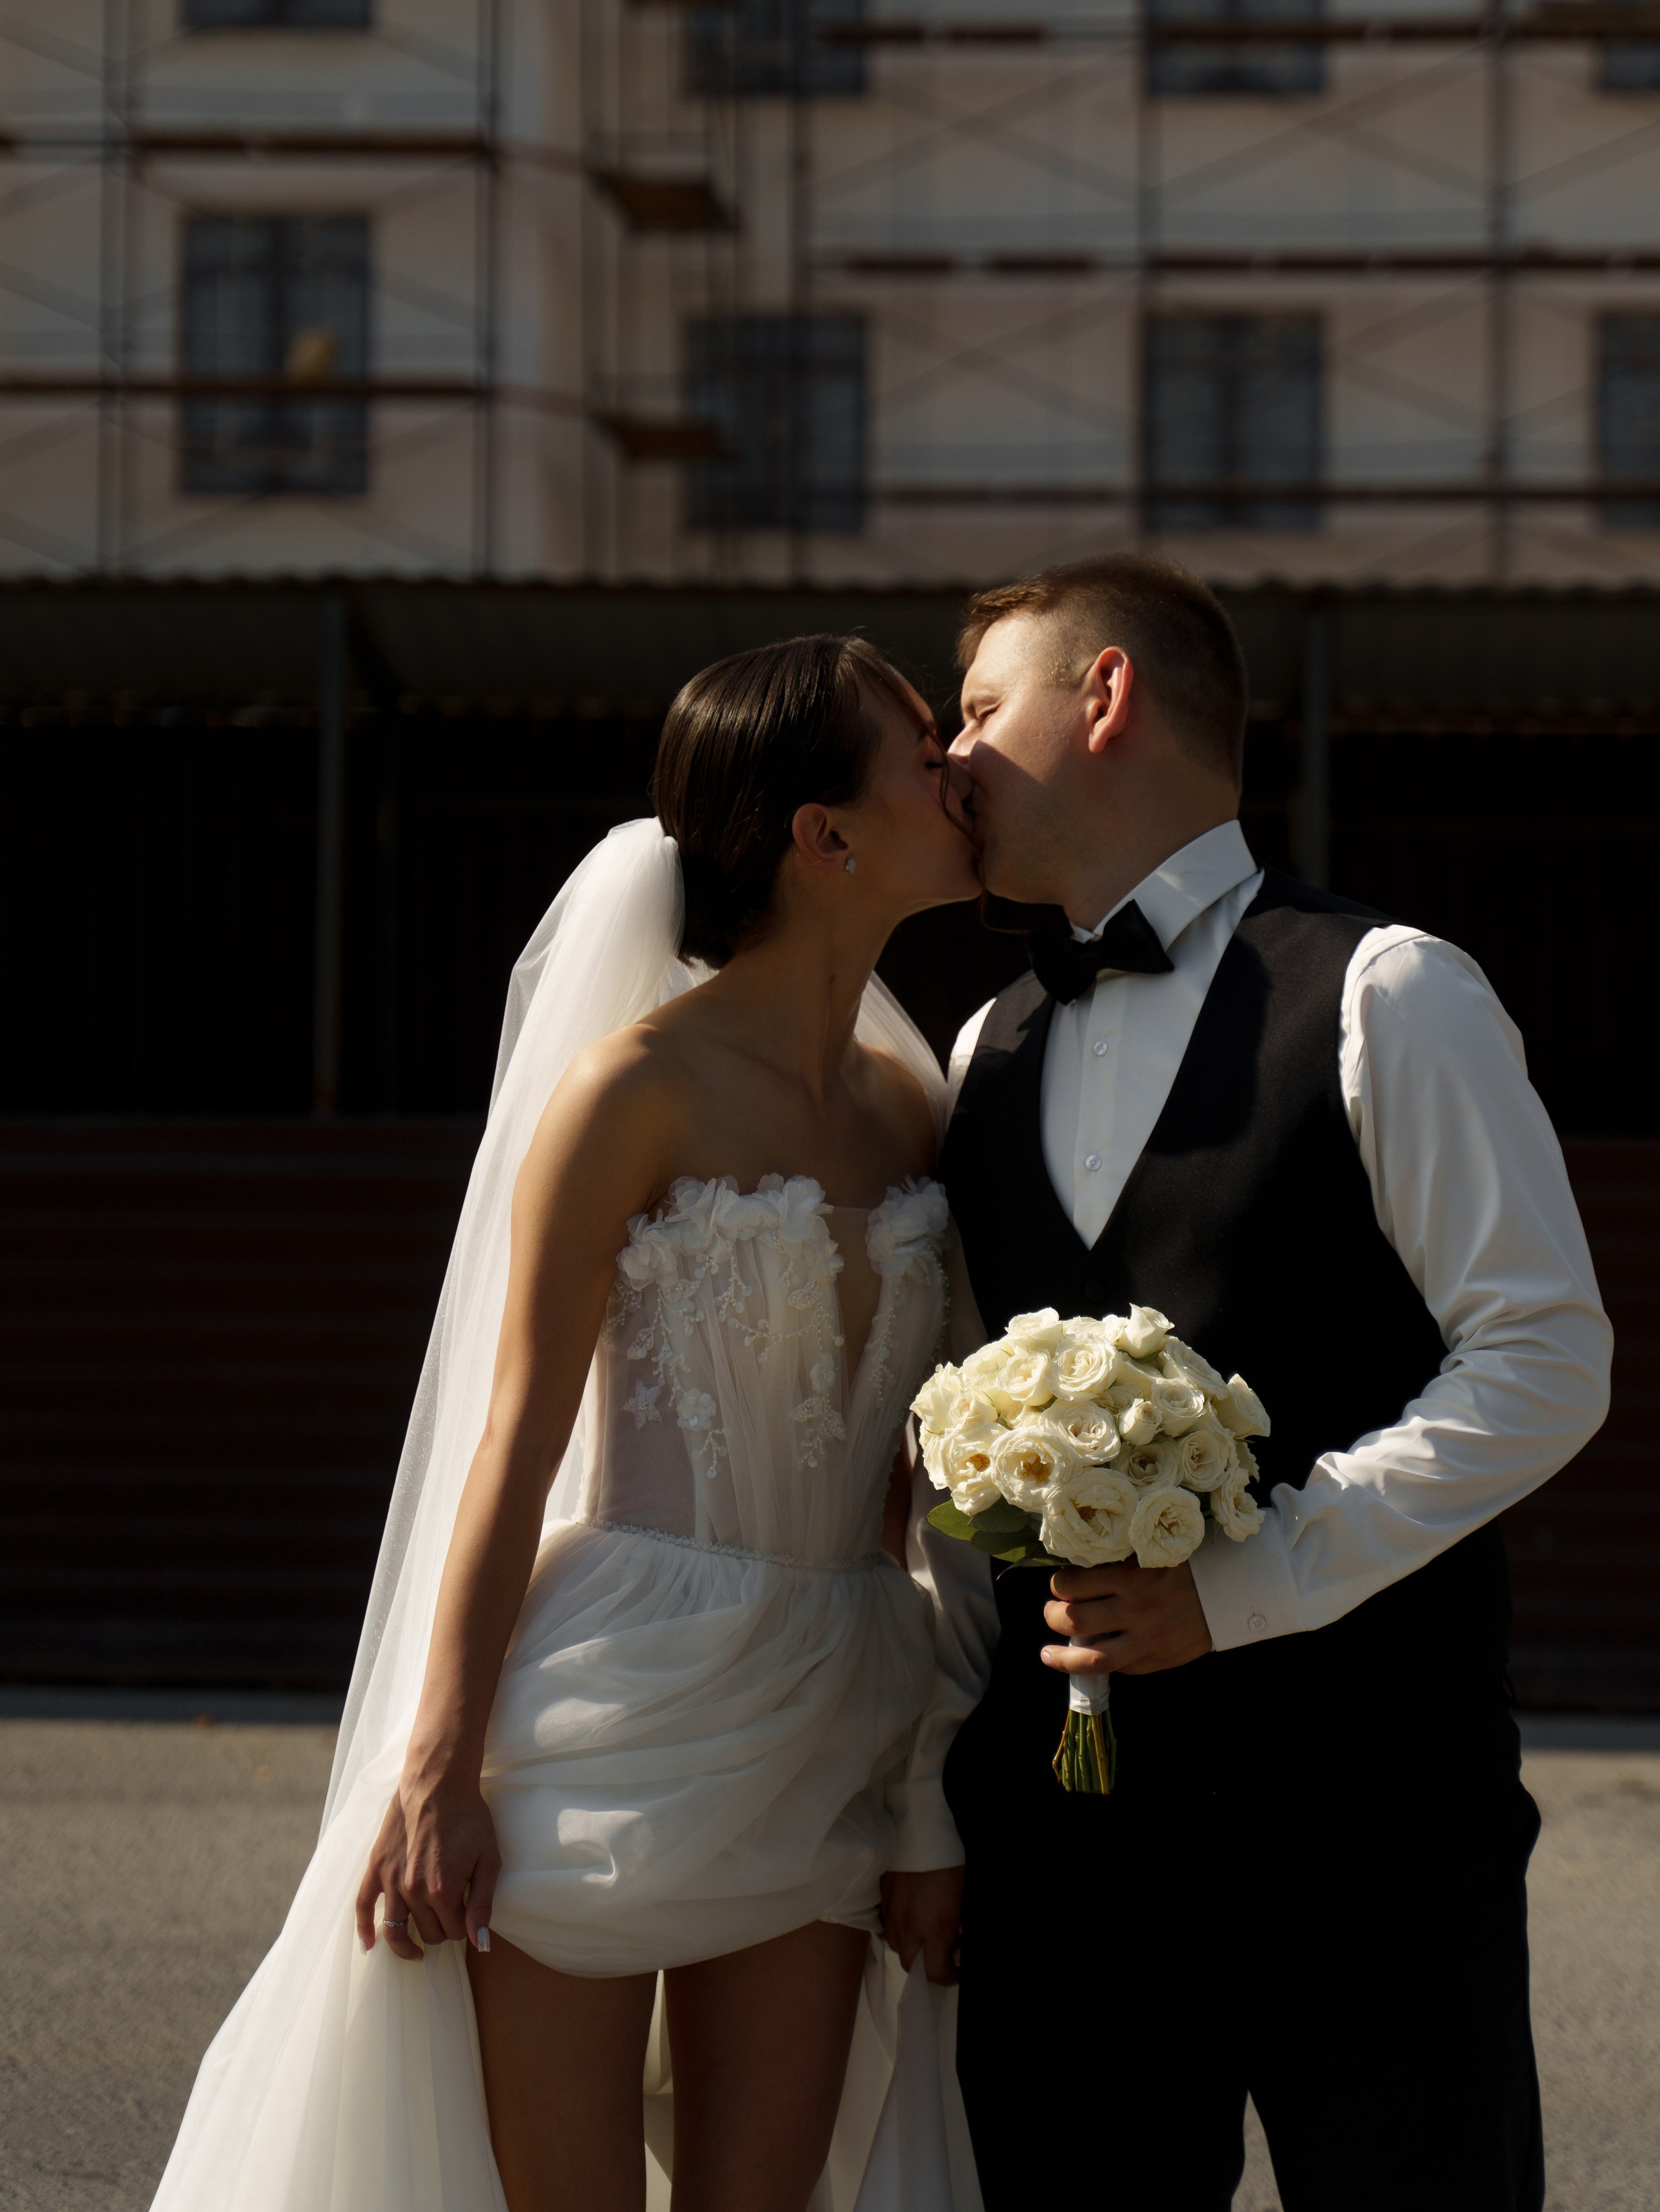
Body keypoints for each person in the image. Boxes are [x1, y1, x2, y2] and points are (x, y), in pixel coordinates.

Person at [150, 634, 984, 2212]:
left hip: (830, 1712)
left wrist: (929, 1778)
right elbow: (512, 1437)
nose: (957, 771)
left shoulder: (913, 1100)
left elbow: (913, 1489)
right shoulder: (632, 1090)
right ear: (824, 833)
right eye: (922, 744)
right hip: (609, 1701)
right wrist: (439, 1766)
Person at [887, 555, 1613, 2212]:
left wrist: (1255, 1575)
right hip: (1056, 1851)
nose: (949, 760)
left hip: (1366, 1821)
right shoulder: (978, 1043)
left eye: (979, 709)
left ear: (1106, 694)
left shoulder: (1387, 991)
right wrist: (933, 1779)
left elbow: (1544, 1355)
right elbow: (932, 1449)